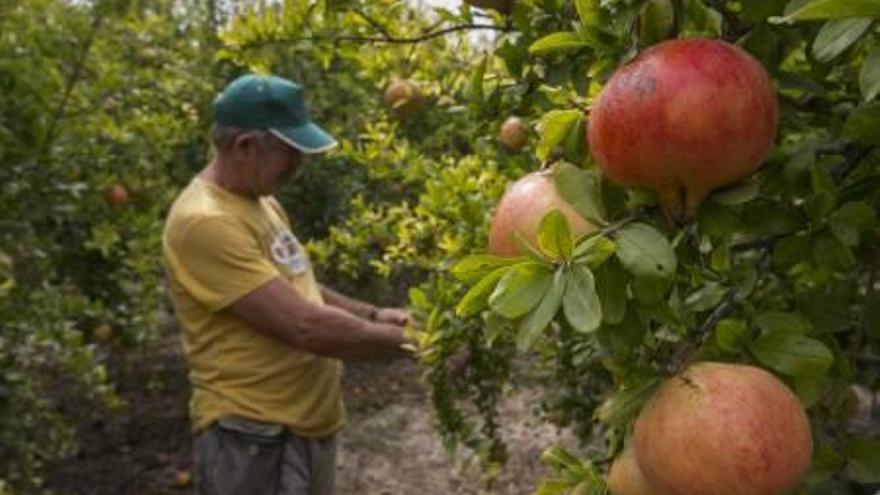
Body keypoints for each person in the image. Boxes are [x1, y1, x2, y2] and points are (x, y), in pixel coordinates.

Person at [162, 74, 412, 495]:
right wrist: (415, 343)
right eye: (291, 153)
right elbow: (305, 326)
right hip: (253, 436)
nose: (299, 165)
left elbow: (297, 285)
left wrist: (372, 314)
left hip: (300, 428)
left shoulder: (261, 201)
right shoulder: (205, 222)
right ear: (245, 147)